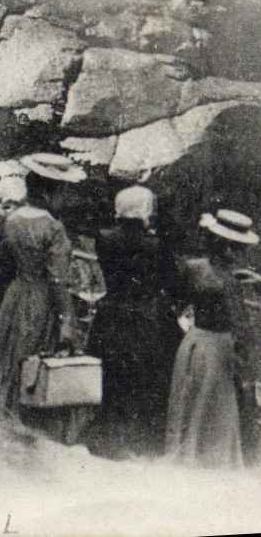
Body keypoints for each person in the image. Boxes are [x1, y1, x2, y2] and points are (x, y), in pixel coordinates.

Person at [85, 184, 182, 458]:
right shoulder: (156, 245)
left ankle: (108, 439)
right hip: (147, 316)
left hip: (112, 312)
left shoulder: (104, 238)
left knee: (112, 376)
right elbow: (172, 282)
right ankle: (142, 442)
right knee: (148, 380)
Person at [0, 152, 85, 414]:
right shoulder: (53, 229)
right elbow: (57, 280)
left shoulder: (11, 220)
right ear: (51, 193)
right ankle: (26, 416)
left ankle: (3, 410)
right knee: (34, 361)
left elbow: (2, 267)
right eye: (63, 191)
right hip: (41, 300)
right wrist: (67, 322)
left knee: (8, 355)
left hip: (15, 294)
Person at [166, 209, 259, 468]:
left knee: (190, 403)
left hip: (195, 341)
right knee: (218, 410)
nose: (239, 255)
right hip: (218, 345)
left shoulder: (195, 267)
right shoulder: (229, 282)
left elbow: (177, 302)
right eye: (237, 249)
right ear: (228, 248)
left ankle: (188, 457)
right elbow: (240, 324)